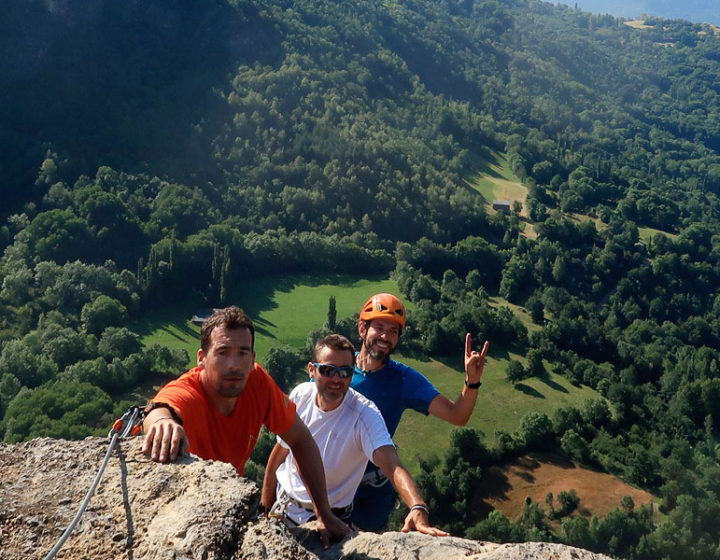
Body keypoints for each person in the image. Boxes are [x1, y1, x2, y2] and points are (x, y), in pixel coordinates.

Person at [141, 306, 351, 544]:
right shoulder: (190, 392)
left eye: (242, 353)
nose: (234, 364)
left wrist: (323, 513)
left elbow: (301, 440)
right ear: (201, 358)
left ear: (252, 360)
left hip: (226, 509)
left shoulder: (258, 384)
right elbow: (161, 407)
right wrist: (161, 422)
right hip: (181, 518)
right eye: (222, 352)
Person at [261, 334, 449, 536]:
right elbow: (279, 454)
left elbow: (392, 465)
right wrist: (263, 511)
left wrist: (417, 506)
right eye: (327, 370)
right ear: (311, 370)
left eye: (345, 372)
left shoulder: (364, 415)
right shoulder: (301, 395)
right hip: (282, 511)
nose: (336, 379)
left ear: (352, 376)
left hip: (326, 524)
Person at [350, 293, 490, 531]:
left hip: (372, 490)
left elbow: (457, 415)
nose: (385, 337)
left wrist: (472, 381)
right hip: (331, 478)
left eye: (393, 332)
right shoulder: (337, 370)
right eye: (380, 327)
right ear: (362, 328)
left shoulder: (404, 379)